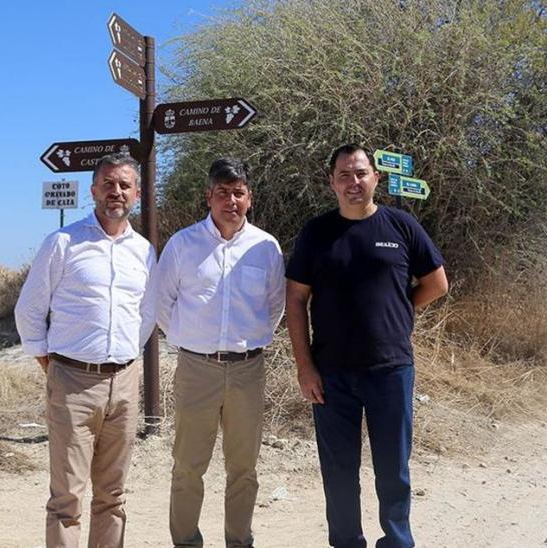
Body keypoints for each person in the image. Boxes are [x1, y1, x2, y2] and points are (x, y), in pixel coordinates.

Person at [284, 144, 449, 548]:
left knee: (393, 468)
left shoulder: (401, 226)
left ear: (376, 177)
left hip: (390, 368)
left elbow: (437, 282)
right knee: (339, 471)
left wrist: (400, 307)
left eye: (360, 173)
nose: (352, 182)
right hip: (331, 374)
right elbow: (295, 299)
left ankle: (397, 541)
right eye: (343, 175)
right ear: (331, 183)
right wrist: (305, 367)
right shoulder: (316, 233)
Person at [14, 152, 156, 548]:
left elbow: (147, 314)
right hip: (72, 382)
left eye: (124, 185)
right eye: (108, 184)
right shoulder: (62, 242)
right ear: (93, 190)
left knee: (113, 496)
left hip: (124, 384)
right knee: (67, 497)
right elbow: (29, 310)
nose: (116, 192)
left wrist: (125, 355)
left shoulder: (144, 252)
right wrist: (51, 364)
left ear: (136, 195)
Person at [148, 158, 286, 548]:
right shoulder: (183, 244)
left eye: (238, 193)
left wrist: (252, 338)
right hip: (196, 370)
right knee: (188, 467)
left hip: (248, 371)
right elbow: (162, 301)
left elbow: (275, 305)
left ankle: (239, 541)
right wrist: (189, 341)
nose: (231, 201)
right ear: (208, 196)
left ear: (250, 198)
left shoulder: (265, 247)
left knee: (244, 468)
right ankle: (186, 541)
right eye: (222, 192)